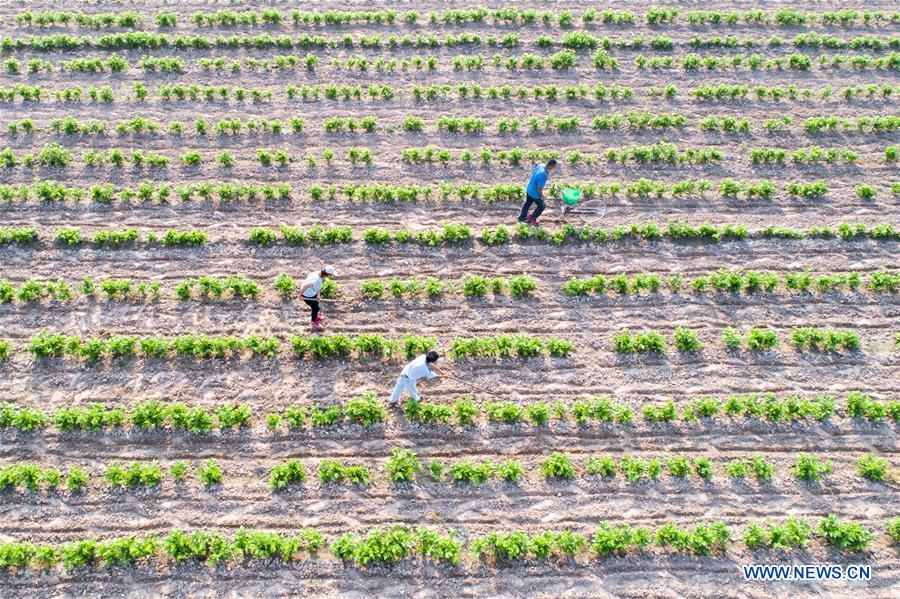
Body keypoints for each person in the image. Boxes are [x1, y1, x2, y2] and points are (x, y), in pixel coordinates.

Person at [518, 158, 556, 226]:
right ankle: (532, 218)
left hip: (529, 188)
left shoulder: (541, 165)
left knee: (527, 203)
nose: (553, 168)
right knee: (542, 206)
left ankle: (521, 218)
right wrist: (541, 196)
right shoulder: (543, 175)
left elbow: (534, 173)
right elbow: (539, 188)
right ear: (551, 166)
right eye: (554, 166)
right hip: (535, 193)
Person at [299, 265, 337, 330]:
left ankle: (316, 316)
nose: (331, 277)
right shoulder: (316, 280)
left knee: (316, 304)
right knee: (315, 308)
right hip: (307, 295)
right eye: (330, 275)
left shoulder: (318, 273)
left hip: (312, 292)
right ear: (327, 274)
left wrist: (318, 295)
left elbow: (318, 286)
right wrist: (300, 295)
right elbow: (306, 285)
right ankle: (313, 321)